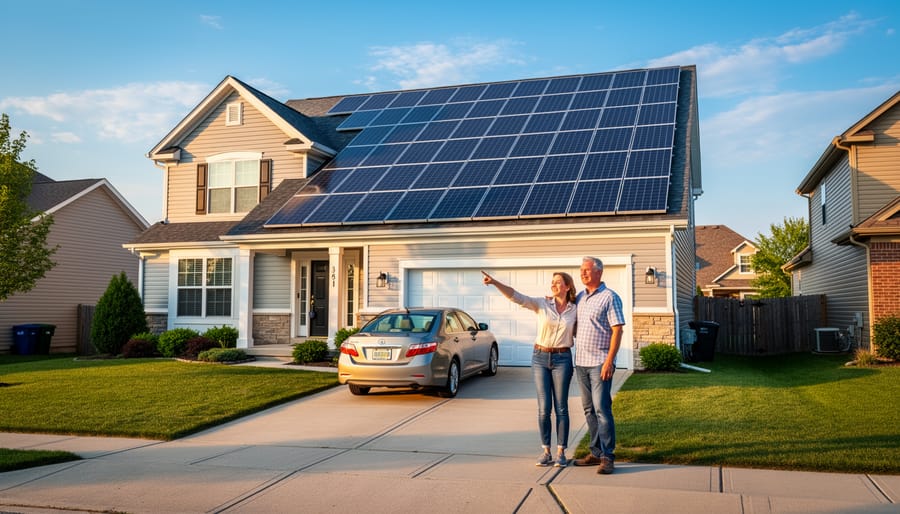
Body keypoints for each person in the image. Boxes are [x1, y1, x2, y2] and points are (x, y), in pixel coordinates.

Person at [482, 270, 576, 468]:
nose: (553, 284)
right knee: (544, 408)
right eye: (552, 282)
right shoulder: (542, 304)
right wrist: (495, 283)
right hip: (540, 357)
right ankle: (546, 452)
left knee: (561, 407)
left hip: (563, 359)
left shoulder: (575, 309)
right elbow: (516, 296)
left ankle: (561, 452)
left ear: (567, 286)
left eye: (558, 282)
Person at [572, 256, 625, 475]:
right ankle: (595, 453)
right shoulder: (580, 297)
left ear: (599, 272)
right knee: (589, 410)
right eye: (581, 270)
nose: (582, 273)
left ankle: (607, 457)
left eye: (586, 270)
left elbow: (617, 330)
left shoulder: (610, 297)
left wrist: (609, 361)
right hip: (581, 363)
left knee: (602, 409)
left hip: (599, 363)